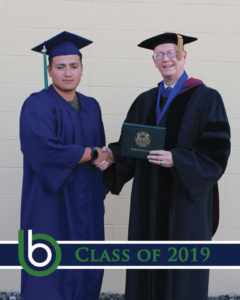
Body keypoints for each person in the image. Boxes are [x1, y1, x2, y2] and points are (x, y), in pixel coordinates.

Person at [101, 32, 231, 300]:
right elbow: (129, 146)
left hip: (183, 206)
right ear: (154, 61)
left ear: (184, 56)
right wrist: (110, 156)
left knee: (181, 277)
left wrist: (178, 159)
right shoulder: (145, 101)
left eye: (172, 53)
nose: (166, 59)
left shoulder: (207, 99)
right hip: (147, 202)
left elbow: (217, 152)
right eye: (160, 55)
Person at [19, 31, 113, 300]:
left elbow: (100, 153)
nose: (68, 73)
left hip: (88, 201)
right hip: (50, 202)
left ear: (82, 69)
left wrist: (104, 169)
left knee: (87, 269)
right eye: (60, 67)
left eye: (74, 66)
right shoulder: (37, 104)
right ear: (50, 70)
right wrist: (93, 152)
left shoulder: (92, 106)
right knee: (50, 272)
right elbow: (44, 150)